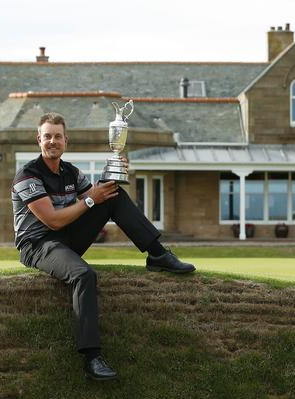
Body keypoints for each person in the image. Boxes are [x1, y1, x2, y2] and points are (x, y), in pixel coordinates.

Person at [12, 112, 195, 381]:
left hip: (66, 237)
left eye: (58, 136)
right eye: (47, 136)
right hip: (39, 244)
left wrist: (115, 171)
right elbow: (51, 221)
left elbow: (96, 196)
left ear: (66, 141)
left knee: (114, 194)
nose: (53, 141)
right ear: (39, 139)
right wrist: (89, 200)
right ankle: (92, 358)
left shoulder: (70, 172)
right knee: (83, 274)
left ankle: (157, 254)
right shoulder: (27, 174)